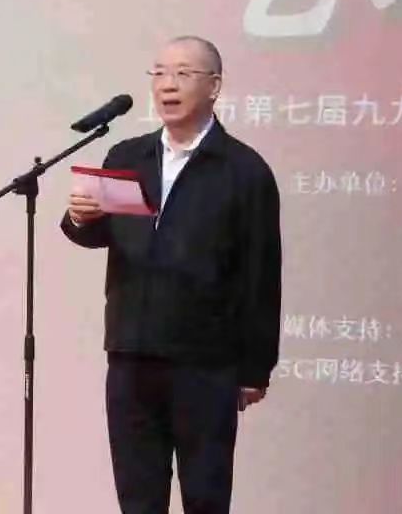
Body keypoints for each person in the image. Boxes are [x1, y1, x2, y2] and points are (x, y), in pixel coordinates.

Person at [61, 36, 282, 514]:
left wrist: (255, 368)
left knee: (205, 497)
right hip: (130, 356)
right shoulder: (126, 156)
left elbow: (262, 275)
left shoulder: (244, 170)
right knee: (138, 499)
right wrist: (80, 218)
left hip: (205, 363)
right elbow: (100, 235)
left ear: (214, 86)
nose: (167, 85)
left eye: (183, 74)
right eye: (159, 73)